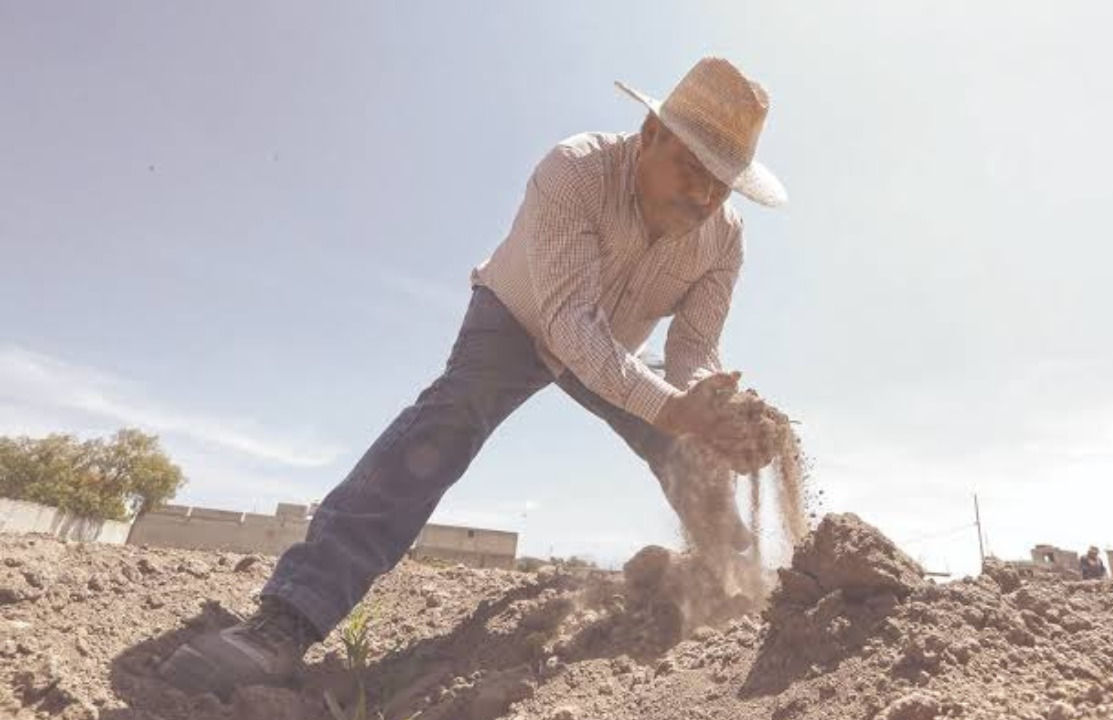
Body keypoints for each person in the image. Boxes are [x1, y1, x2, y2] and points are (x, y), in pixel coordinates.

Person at [159, 56, 787, 698]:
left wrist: (712, 405)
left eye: (724, 182)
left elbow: (693, 349)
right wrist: (677, 408)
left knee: (688, 440)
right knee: (448, 423)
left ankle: (734, 584)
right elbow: (569, 323)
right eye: (693, 168)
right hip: (519, 316)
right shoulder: (574, 169)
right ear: (651, 132)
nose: (706, 195)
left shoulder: (724, 240)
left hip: (615, 349)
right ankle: (286, 621)